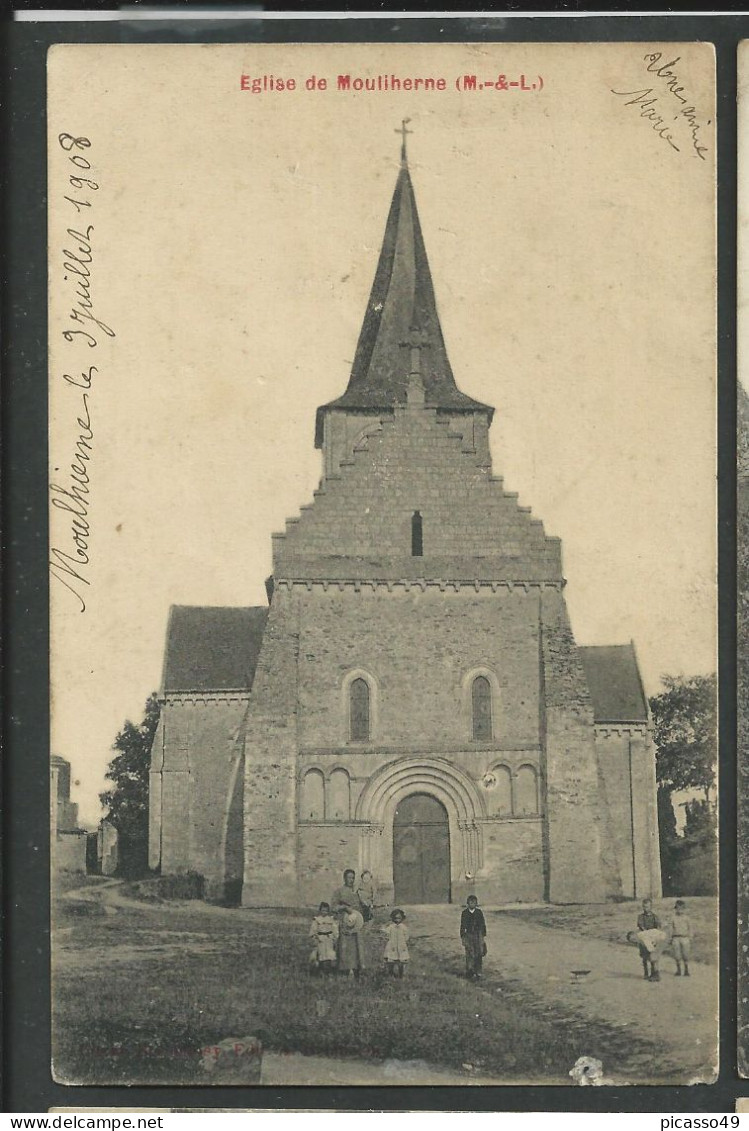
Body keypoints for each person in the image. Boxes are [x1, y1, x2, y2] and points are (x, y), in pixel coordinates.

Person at [460, 894, 487, 981]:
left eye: (474, 903)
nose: (472, 904)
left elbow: (482, 924)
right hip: (469, 935)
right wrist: (463, 936)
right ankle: (470, 971)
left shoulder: (479, 912)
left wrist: (483, 936)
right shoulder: (464, 913)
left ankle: (478, 971)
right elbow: (462, 925)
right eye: (470, 903)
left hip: (478, 934)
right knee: (469, 952)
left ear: (476, 904)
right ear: (467, 903)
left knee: (479, 953)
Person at [636, 897, 663, 982]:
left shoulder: (655, 917)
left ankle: (653, 973)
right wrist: (646, 933)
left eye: (647, 907)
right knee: (644, 956)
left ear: (651, 907)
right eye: (644, 907)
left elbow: (658, 926)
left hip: (653, 938)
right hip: (644, 938)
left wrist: (655, 935)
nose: (645, 908)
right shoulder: (640, 917)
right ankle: (646, 972)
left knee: (652, 955)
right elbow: (641, 926)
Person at [308, 901, 339, 975]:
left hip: (329, 939)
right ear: (320, 910)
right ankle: (321, 970)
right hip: (320, 939)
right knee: (321, 954)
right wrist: (315, 937)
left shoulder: (331, 919)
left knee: (329, 954)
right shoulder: (317, 919)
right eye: (322, 910)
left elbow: (334, 929)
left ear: (328, 911)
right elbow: (314, 929)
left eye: (326, 911)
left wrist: (335, 937)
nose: (324, 912)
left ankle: (329, 970)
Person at [337, 905, 365, 979]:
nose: (347, 909)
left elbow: (359, 925)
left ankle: (356, 970)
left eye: (349, 907)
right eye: (346, 908)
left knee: (356, 952)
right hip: (346, 937)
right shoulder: (344, 916)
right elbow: (342, 926)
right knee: (346, 952)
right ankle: (347, 969)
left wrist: (353, 931)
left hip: (355, 937)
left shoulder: (357, 915)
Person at [382, 908, 409, 978]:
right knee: (391, 961)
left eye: (399, 918)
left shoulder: (403, 927)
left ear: (402, 918)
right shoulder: (391, 927)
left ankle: (401, 975)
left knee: (401, 962)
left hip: (401, 946)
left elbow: (407, 936)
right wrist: (384, 928)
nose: (397, 920)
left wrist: (403, 942)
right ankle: (391, 974)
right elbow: (386, 932)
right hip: (392, 946)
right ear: (393, 919)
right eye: (395, 918)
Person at [670, 899, 693, 977]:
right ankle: (678, 970)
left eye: (681, 908)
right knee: (677, 955)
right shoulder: (673, 918)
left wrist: (690, 937)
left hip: (685, 937)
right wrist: (671, 937)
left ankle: (686, 969)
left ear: (684, 909)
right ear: (675, 908)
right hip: (676, 937)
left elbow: (690, 928)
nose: (679, 910)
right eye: (677, 908)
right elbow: (671, 928)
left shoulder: (687, 918)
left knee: (685, 954)